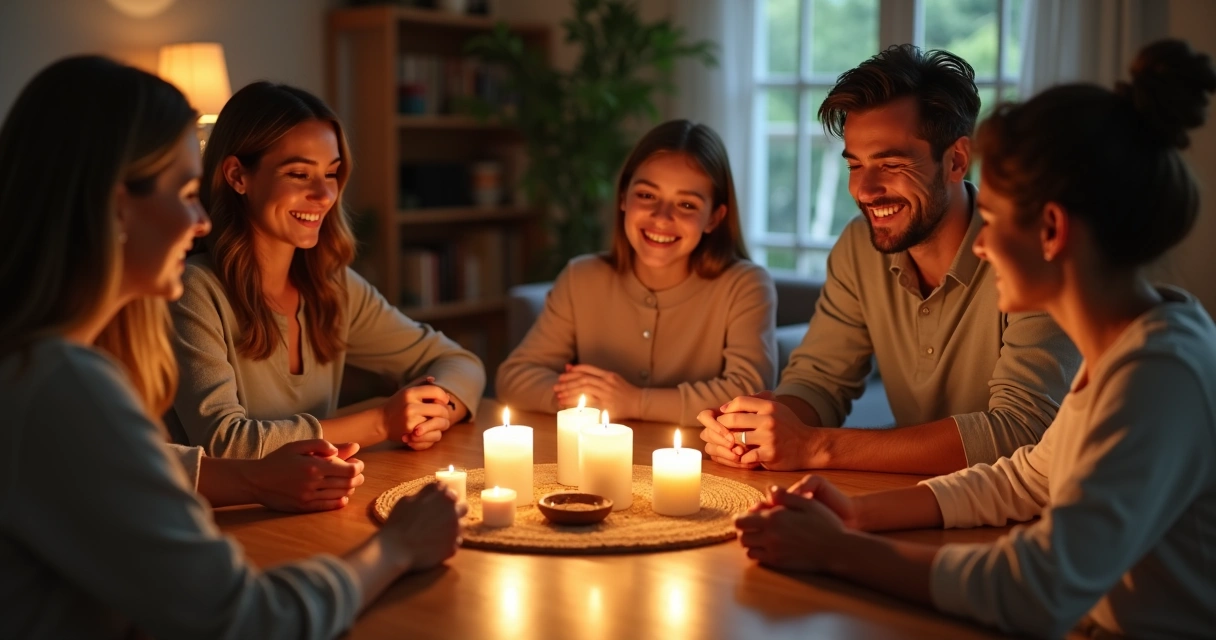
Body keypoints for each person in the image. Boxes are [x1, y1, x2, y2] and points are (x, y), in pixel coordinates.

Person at [735, 39, 1216, 638]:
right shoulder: (1127, 350)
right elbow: (1022, 478)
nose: (982, 244)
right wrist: (855, 513)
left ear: (1051, 230)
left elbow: (1038, 590)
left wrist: (837, 551)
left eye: (996, 217)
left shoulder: (1158, 375)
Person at [0, 55, 465, 639]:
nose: (200, 222)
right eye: (187, 191)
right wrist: (395, 548)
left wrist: (245, 480)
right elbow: (245, 620)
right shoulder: (63, 385)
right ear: (117, 207)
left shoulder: (35, 370)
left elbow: (143, 463)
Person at [700, 45, 1079, 474]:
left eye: (891, 163)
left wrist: (817, 446)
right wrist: (759, 429)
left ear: (956, 160)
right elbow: (819, 381)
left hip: (1027, 515)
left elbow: (1020, 430)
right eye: (855, 165)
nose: (865, 190)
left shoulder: (1030, 257)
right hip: (912, 501)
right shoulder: (860, 245)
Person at [168, 82, 486, 458]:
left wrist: (435, 412)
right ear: (238, 175)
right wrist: (381, 422)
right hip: (219, 515)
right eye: (299, 174)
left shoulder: (332, 287)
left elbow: (460, 362)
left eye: (332, 173)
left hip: (317, 503)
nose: (324, 195)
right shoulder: (192, 289)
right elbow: (225, 444)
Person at [496, 120, 777, 426]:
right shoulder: (582, 277)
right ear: (622, 198)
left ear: (714, 218)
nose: (661, 216)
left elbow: (750, 392)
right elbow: (514, 378)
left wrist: (633, 402)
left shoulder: (745, 285)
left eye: (686, 204)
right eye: (646, 196)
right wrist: (585, 401)